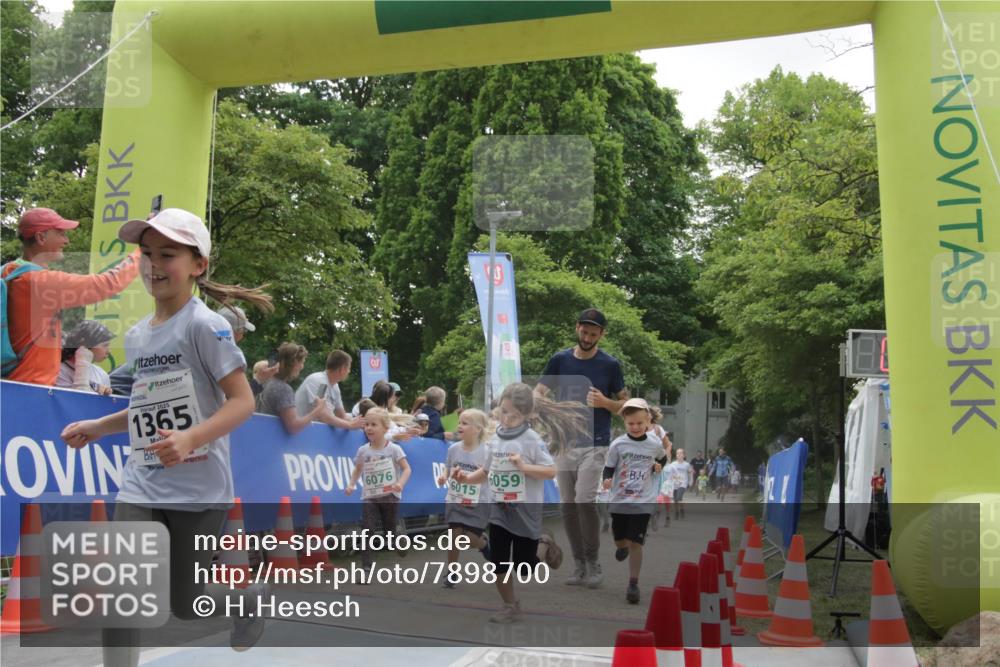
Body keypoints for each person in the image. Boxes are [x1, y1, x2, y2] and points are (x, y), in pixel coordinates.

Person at [59, 207, 274, 663]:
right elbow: (145, 405)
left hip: (200, 489)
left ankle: (243, 600)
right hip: (143, 481)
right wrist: (99, 427)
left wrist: (191, 439)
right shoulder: (138, 336)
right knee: (124, 592)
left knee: (185, 603)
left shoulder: (205, 325)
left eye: (168, 254)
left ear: (198, 265)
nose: (154, 265)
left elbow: (243, 402)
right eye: (147, 254)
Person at [454, 382, 584, 623]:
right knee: (498, 561)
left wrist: (523, 467)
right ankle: (510, 605)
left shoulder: (531, 439)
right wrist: (467, 478)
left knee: (525, 569)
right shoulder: (495, 439)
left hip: (526, 511)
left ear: (527, 415)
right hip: (500, 511)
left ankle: (544, 543)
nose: (506, 418)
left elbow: (550, 471)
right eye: (503, 411)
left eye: (513, 415)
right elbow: (486, 470)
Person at [535, 308, 628, 588]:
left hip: (595, 443)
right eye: (584, 332)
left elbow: (626, 404)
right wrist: (542, 404)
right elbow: (539, 392)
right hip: (564, 442)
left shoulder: (610, 365)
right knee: (567, 505)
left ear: (602, 334)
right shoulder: (560, 359)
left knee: (584, 499)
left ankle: (593, 561)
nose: (587, 337)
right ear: (577, 328)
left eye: (593, 333)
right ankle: (577, 564)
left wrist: (606, 403)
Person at [3, 207, 141, 384]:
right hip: (32, 387)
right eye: (60, 233)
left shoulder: (8, 272)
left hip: (10, 383)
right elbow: (107, 284)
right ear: (40, 237)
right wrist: (143, 250)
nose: (66, 240)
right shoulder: (39, 281)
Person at [602, 398, 668, 604]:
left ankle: (633, 584)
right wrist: (606, 479)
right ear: (624, 423)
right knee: (620, 538)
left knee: (636, 543)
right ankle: (620, 546)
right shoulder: (618, 444)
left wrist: (658, 465)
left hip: (643, 500)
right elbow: (609, 466)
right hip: (620, 498)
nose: (636, 427)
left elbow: (663, 457)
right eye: (631, 423)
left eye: (640, 423)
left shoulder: (654, 443)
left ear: (648, 421)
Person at [345, 407, 412, 567]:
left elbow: (407, 469)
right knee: (368, 530)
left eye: (373, 424)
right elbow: (358, 469)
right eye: (366, 424)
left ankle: (397, 541)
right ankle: (366, 567)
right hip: (370, 496)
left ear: (385, 428)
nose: (368, 428)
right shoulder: (363, 450)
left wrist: (399, 484)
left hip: (389, 496)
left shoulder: (394, 449)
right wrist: (351, 484)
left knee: (389, 532)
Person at [436, 408, 492, 587]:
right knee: (454, 535)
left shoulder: (486, 451)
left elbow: (489, 474)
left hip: (478, 502)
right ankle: (452, 571)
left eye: (465, 423)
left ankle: (483, 543)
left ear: (477, 429)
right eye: (459, 422)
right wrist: (444, 476)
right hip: (455, 498)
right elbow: (447, 466)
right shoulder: (453, 449)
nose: (459, 425)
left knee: (467, 538)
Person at [257, 342, 328, 434]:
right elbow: (294, 427)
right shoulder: (283, 389)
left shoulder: (266, 382)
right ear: (293, 363)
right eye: (301, 362)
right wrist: (318, 410)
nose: (302, 367)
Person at [294, 350, 362, 430]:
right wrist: (350, 425)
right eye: (349, 368)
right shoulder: (319, 381)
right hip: (300, 432)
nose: (349, 372)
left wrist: (361, 422)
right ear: (342, 369)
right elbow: (322, 415)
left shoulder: (335, 386)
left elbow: (341, 415)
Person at [56, 320, 116, 395]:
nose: (109, 351)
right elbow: (76, 401)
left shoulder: (102, 375)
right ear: (85, 346)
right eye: (105, 345)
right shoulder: (59, 371)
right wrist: (83, 363)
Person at [667, 448, 694, 520]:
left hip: (683, 483)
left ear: (684, 455)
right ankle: (678, 511)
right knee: (676, 500)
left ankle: (679, 511)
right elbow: (670, 474)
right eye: (677, 453)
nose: (679, 454)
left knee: (678, 497)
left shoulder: (687, 464)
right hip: (675, 484)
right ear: (676, 455)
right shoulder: (673, 464)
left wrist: (691, 482)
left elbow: (690, 473)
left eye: (681, 453)